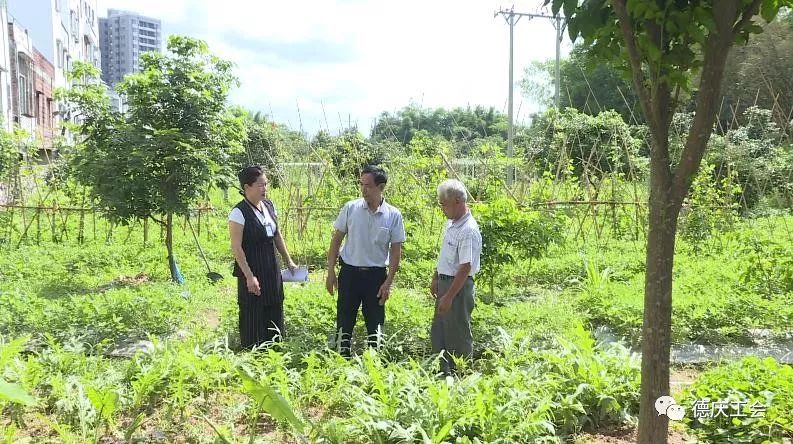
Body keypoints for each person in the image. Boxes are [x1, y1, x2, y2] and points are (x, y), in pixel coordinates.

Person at [325, 165, 406, 356]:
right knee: (344, 320)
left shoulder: (393, 215)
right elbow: (336, 240)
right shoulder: (351, 208)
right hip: (350, 274)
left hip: (376, 277)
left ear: (381, 187)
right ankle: (341, 358)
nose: (364, 190)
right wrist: (330, 271)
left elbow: (395, 252)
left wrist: (388, 283)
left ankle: (374, 363)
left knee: (375, 322)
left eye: (368, 186)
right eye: (361, 184)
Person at [229, 166, 297, 349]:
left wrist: (288, 260)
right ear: (247, 187)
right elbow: (236, 248)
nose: (264, 188)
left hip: (271, 266)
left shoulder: (269, 205)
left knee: (275, 304)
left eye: (266, 184)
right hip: (251, 269)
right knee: (253, 311)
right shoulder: (239, 212)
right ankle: (253, 352)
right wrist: (249, 276)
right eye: (260, 185)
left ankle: (275, 348)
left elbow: (277, 235)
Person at [430, 179, 481, 375]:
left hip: (457, 288)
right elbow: (445, 256)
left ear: (458, 201)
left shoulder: (468, 230)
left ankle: (462, 375)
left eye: (444, 204)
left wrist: (449, 296)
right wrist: (436, 277)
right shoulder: (452, 224)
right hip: (446, 283)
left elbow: (464, 267)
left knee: (458, 334)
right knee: (440, 331)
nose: (442, 208)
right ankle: (443, 374)